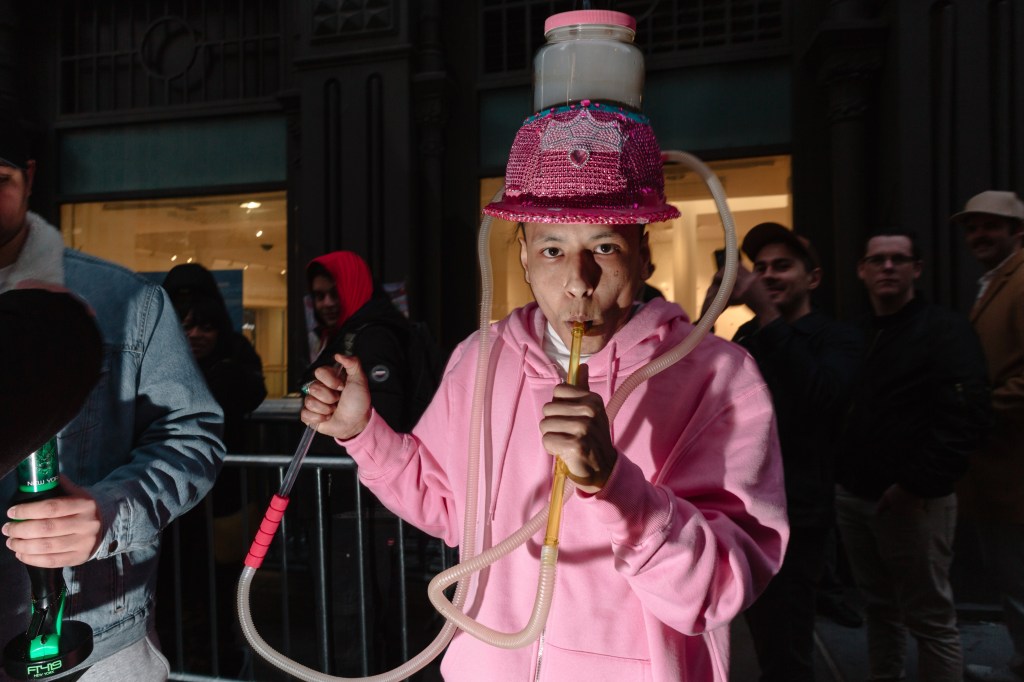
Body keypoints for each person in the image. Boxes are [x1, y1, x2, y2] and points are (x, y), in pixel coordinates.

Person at [299, 102, 788, 680]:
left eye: (604, 248)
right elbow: (447, 508)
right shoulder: (482, 359)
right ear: (525, 259)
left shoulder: (718, 376)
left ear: (644, 253)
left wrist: (614, 483)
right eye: (553, 250)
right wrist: (364, 433)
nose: (577, 282)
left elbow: (719, 589)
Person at [0, 115, 225, 681]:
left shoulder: (124, 300)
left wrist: (108, 514)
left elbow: (193, 436)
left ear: (28, 178)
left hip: (92, 643)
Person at [702, 222, 862, 681]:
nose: (768, 275)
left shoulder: (837, 338)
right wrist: (713, 309)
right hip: (742, 511)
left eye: (783, 267)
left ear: (812, 278)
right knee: (758, 635)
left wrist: (767, 312)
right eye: (761, 267)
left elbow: (821, 397)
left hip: (798, 515)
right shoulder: (749, 336)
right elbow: (697, 383)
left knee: (787, 645)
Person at [835, 229, 991, 682]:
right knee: (880, 610)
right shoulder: (856, 332)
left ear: (915, 270)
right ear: (862, 270)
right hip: (855, 496)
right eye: (878, 259)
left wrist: (914, 486)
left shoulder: (944, 330)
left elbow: (966, 417)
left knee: (930, 618)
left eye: (898, 259)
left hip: (916, 502)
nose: (888, 267)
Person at [159, 263, 267, 677]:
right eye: (184, 324)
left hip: (221, 502)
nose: (195, 334)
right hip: (172, 508)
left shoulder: (235, 358)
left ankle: (217, 666)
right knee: (174, 593)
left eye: (205, 325)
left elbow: (246, 392)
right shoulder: (154, 360)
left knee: (221, 593)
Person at [951, 190, 1024, 682]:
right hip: (999, 465)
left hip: (1013, 463)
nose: (979, 234)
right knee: (1010, 576)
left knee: (1017, 575)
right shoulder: (997, 281)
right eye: (973, 226)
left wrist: (975, 413)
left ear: (1017, 231)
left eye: (990, 226)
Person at [304, 250, 424, 433]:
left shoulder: (375, 338)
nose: (327, 303)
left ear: (355, 288)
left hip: (367, 459)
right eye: (319, 296)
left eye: (336, 293)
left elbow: (387, 420)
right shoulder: (340, 336)